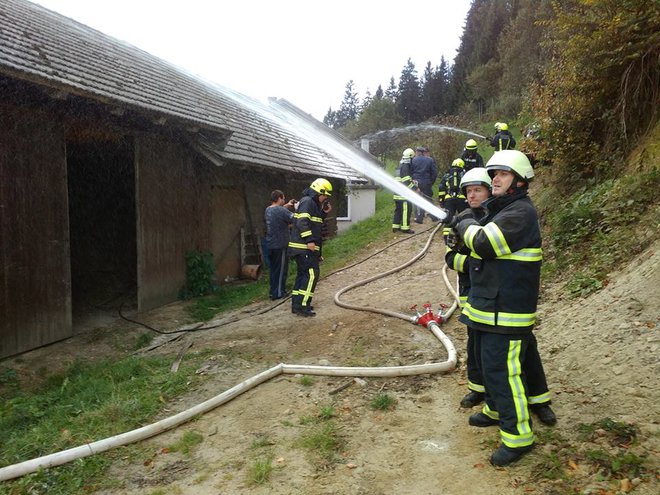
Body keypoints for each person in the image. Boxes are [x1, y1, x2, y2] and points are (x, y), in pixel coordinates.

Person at [450, 150, 554, 466]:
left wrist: (465, 219)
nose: (494, 178)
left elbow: (484, 244)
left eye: (503, 174)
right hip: (488, 307)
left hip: (505, 311)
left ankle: (518, 436)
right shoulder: (502, 210)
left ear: (519, 182)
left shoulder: (520, 213)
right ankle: (495, 409)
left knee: (503, 371)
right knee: (487, 364)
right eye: (494, 173)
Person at [444, 168, 491, 408]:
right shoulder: (461, 218)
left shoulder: (498, 216)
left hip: (495, 291)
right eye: (469, 191)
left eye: (477, 190)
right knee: (474, 339)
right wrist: (473, 264)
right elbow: (450, 257)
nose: (472, 196)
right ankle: (477, 389)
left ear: (489, 190)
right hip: (470, 289)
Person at [288, 178, 332, 317]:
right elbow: (302, 222)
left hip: (303, 248)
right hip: (304, 247)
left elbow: (315, 224)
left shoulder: (312, 204)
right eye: (325, 195)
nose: (325, 199)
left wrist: (324, 213)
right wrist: (310, 241)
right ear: (319, 192)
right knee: (312, 275)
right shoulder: (308, 202)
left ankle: (297, 304)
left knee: (302, 275)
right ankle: (303, 306)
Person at [264, 190, 296, 300]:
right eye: (283, 198)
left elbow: (279, 212)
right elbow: (295, 218)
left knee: (274, 270)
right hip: (280, 245)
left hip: (271, 244)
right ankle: (279, 293)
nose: (284, 200)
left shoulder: (268, 209)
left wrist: (287, 206)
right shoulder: (281, 210)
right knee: (281, 270)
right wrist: (298, 208)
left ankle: (273, 291)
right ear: (279, 198)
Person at [410, 146, 438, 224]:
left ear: (417, 152)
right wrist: (431, 182)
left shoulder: (413, 160)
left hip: (416, 182)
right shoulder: (430, 160)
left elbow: (410, 172)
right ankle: (434, 216)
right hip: (426, 182)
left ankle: (419, 217)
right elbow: (434, 173)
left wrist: (413, 181)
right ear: (423, 152)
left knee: (418, 199)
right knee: (428, 199)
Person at [392, 148, 416, 234]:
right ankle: (405, 228)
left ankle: (395, 226)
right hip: (403, 195)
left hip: (397, 194)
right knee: (406, 210)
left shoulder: (399, 166)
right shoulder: (406, 167)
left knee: (398, 210)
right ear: (410, 158)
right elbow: (406, 182)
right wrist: (415, 188)